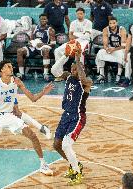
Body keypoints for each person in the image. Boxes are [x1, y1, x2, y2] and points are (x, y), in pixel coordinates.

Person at [0, 49, 52, 141]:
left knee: (17, 113)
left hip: (4, 90)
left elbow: (5, 75)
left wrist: (11, 81)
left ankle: (41, 127)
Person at [53, 52, 93, 185]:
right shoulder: (68, 77)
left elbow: (82, 78)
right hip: (66, 115)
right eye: (72, 68)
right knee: (57, 145)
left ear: (82, 69)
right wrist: (65, 55)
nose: (74, 70)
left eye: (77, 68)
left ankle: (77, 173)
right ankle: (75, 165)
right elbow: (54, 70)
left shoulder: (87, 82)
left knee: (66, 144)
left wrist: (77, 59)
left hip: (78, 117)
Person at [51, 7, 92, 80]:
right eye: (78, 14)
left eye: (81, 14)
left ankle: (80, 74)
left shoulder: (88, 22)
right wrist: (81, 34)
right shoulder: (73, 23)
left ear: (84, 14)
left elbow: (87, 36)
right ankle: (60, 74)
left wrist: (76, 34)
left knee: (80, 51)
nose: (79, 15)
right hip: (74, 41)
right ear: (76, 14)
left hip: (85, 42)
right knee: (57, 50)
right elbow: (70, 36)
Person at [16, 13, 56, 81]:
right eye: (41, 19)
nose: (42, 20)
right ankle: (21, 74)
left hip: (43, 47)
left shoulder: (50, 30)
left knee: (45, 50)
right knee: (20, 51)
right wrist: (30, 43)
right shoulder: (35, 28)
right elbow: (30, 39)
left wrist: (43, 44)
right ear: (39, 20)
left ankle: (45, 74)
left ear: (47, 20)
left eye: (44, 19)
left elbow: (53, 44)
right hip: (34, 47)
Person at [95, 16, 131, 86]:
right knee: (100, 52)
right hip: (111, 48)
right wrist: (107, 49)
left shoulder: (122, 29)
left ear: (116, 23)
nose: (112, 25)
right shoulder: (105, 29)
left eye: (114, 23)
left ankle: (118, 75)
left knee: (120, 54)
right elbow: (105, 44)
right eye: (110, 23)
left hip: (120, 48)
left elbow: (124, 45)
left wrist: (114, 49)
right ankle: (102, 75)